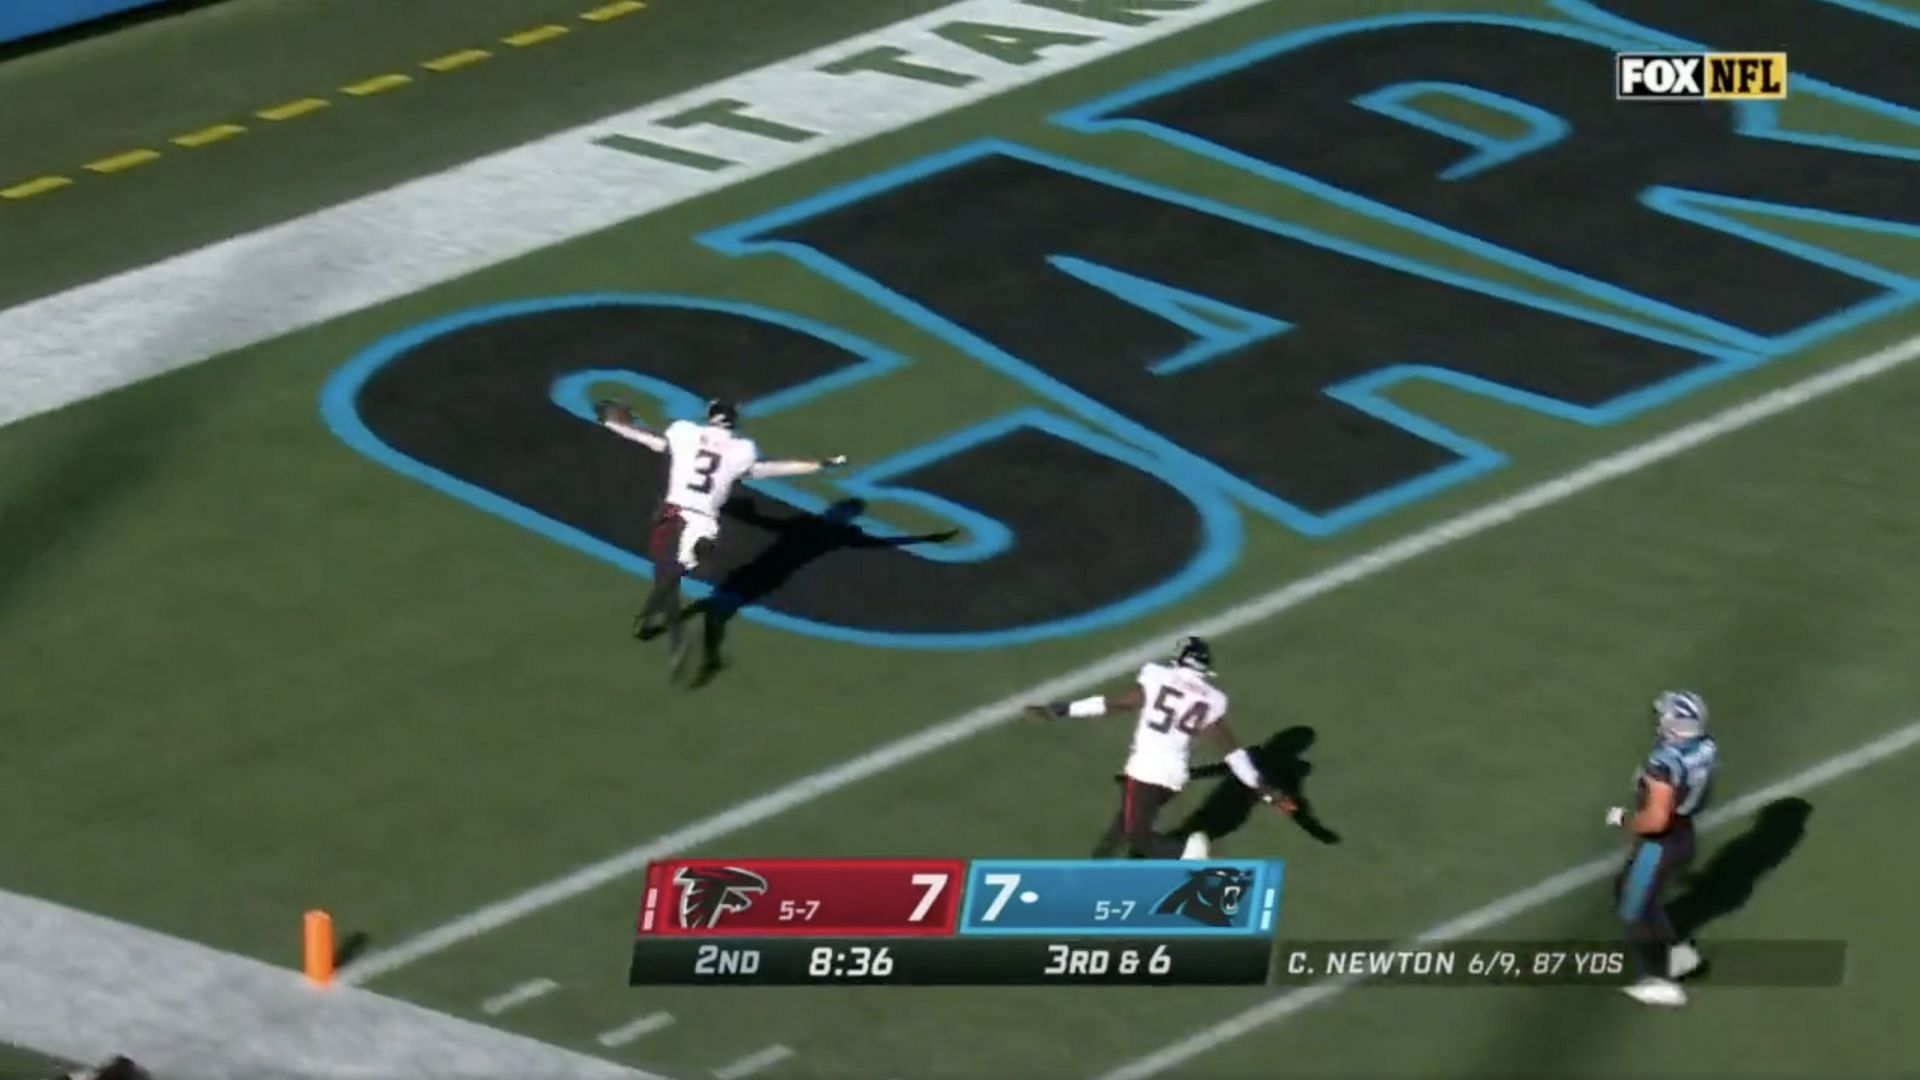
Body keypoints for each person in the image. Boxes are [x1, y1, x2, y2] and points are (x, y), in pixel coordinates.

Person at [597, 397, 846, 679]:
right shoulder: (742, 450)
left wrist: (615, 424)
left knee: (667, 573)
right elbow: (766, 470)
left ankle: (650, 615)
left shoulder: (683, 432)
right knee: (684, 567)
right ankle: (681, 581)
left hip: (673, 510)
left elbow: (650, 439)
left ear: (709, 415)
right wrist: (819, 464)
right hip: (703, 518)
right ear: (733, 421)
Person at [1027, 635, 1295, 859]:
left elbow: (1117, 704)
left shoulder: (1158, 677)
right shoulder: (1212, 700)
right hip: (1173, 777)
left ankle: (1193, 854)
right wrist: (1268, 793)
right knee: (1126, 822)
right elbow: (1233, 755)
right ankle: (1100, 860)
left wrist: (1061, 710)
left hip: (1145, 770)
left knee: (1138, 837)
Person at [1608, 689, 1718, 1006]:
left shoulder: (1664, 763)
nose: (1661, 721)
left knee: (1633, 905)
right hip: (1685, 834)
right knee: (1645, 898)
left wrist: (1624, 820)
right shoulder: (1705, 747)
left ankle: (1658, 979)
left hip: (1660, 843)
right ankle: (1681, 958)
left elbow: (1655, 819)